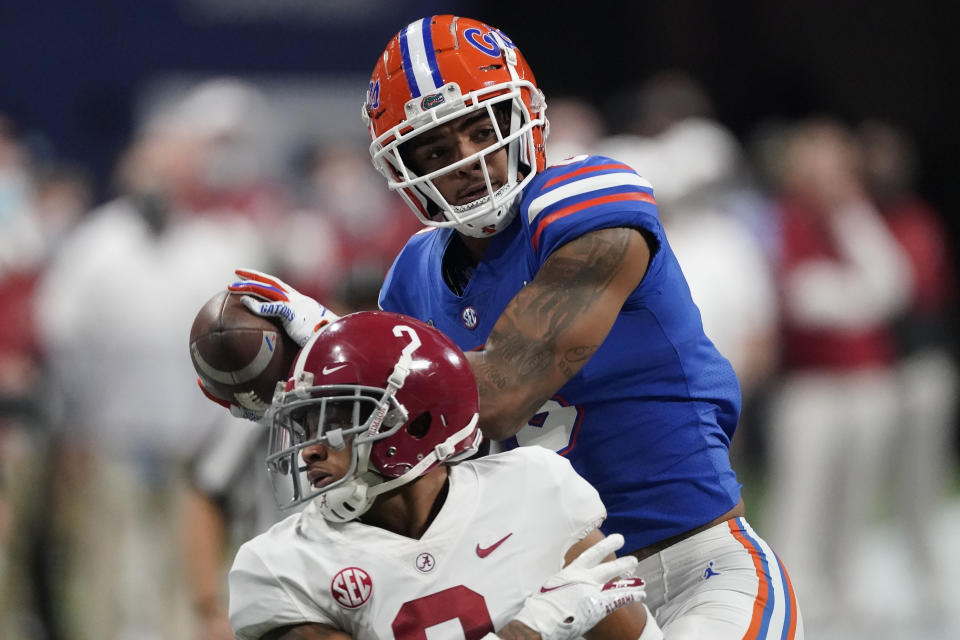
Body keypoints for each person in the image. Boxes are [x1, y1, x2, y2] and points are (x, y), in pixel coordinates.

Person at [224, 15, 801, 638]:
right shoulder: (415, 271)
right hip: (542, 588)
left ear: (526, 116)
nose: (469, 161)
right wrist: (293, 380)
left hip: (695, 570)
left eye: (483, 129)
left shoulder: (591, 202)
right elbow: (405, 443)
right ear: (401, 168)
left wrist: (326, 333)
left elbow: (500, 392)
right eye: (438, 150)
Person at [226, 310, 657, 640]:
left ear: (417, 423)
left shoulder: (537, 487)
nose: (312, 450)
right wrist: (527, 631)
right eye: (304, 426)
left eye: (333, 421)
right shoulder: (279, 567)